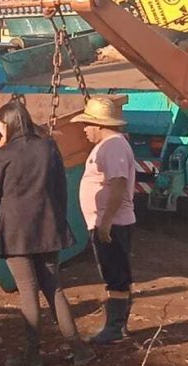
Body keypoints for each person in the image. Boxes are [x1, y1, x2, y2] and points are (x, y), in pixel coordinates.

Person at [0, 100, 95, 366]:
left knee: (28, 289)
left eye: (0, 125)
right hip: (47, 227)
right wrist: (57, 221)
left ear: (9, 124)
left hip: (15, 232)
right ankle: (79, 350)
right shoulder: (48, 147)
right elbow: (60, 188)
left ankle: (31, 356)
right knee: (54, 288)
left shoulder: (1, 155)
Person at [72, 97, 136, 345]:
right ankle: (117, 325)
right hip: (108, 222)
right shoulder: (110, 145)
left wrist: (106, 222)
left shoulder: (113, 146)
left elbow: (118, 183)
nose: (84, 130)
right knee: (115, 271)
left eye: (86, 125)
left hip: (113, 224)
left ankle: (115, 328)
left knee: (115, 274)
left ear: (98, 125)